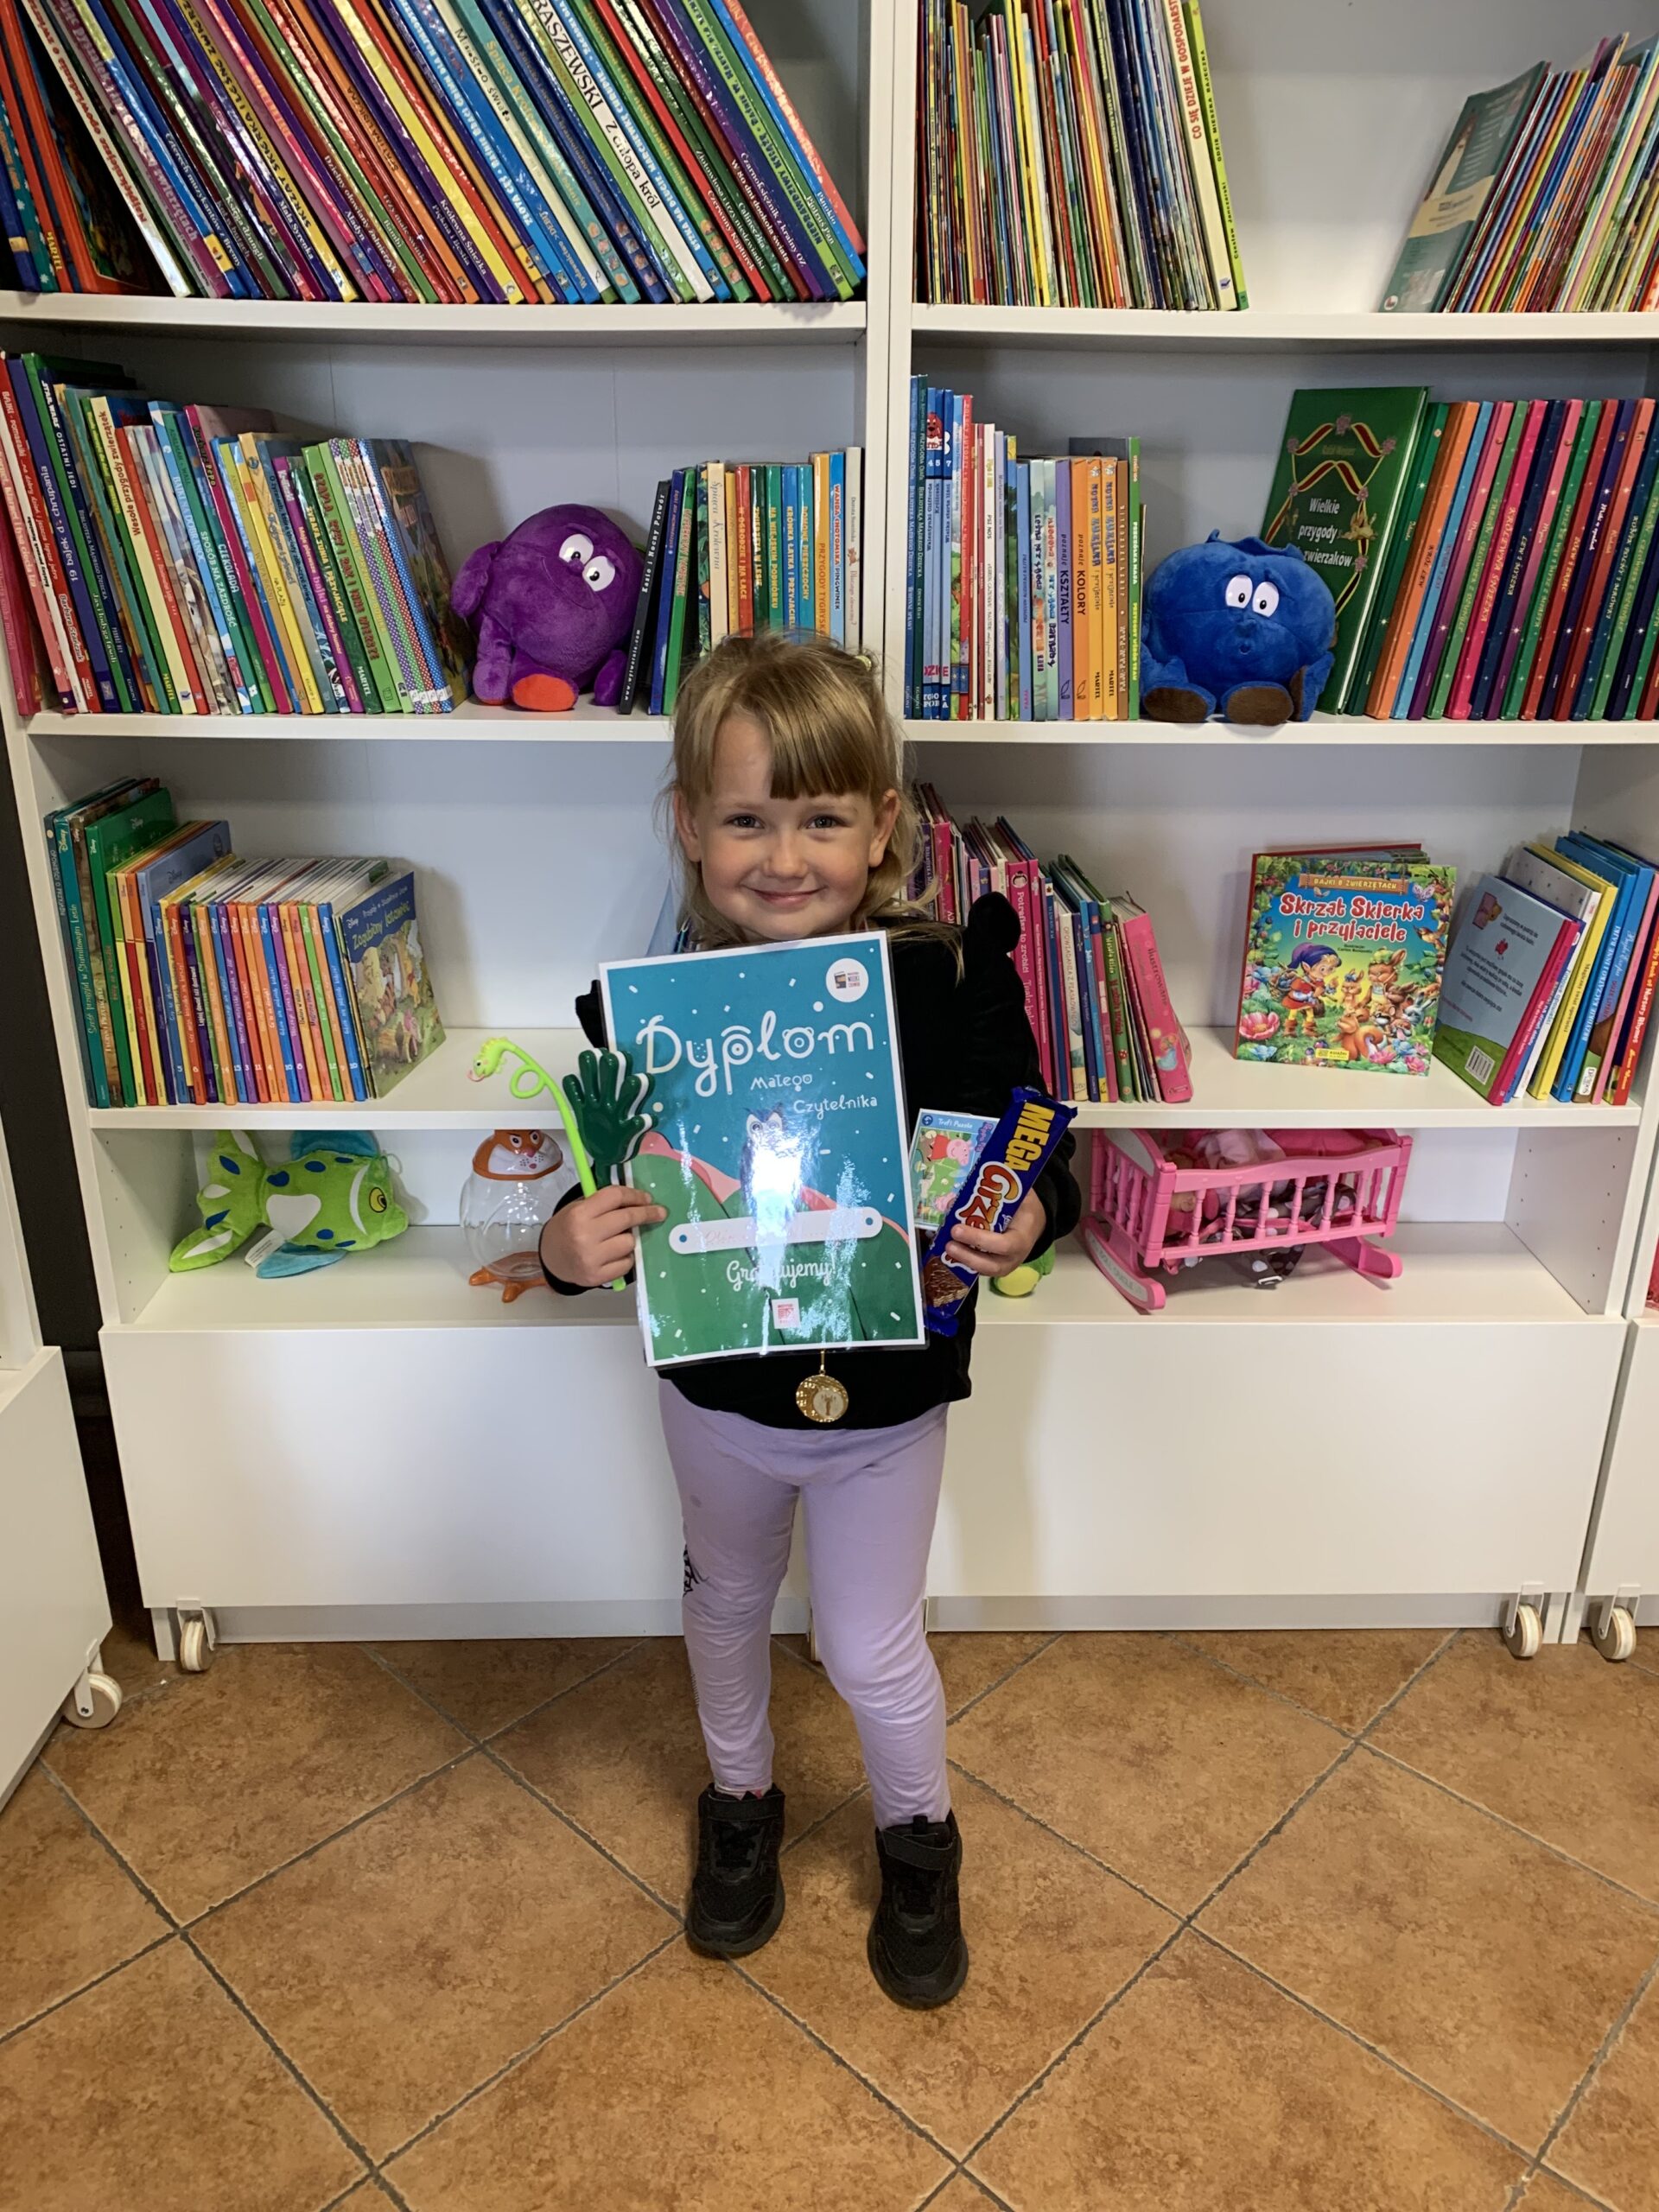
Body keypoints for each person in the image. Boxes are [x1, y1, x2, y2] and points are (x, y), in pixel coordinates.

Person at [539, 631, 1079, 2009]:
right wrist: (565, 1244)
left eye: (823, 819)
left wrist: (1030, 1214)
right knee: (722, 1606)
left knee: (868, 1643)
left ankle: (919, 1841)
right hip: (719, 1398)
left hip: (884, 1407)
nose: (785, 857)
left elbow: (1032, 1146)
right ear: (688, 825)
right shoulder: (653, 1017)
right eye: (746, 820)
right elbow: (605, 1178)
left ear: (883, 826)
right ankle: (741, 1803)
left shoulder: (950, 981)